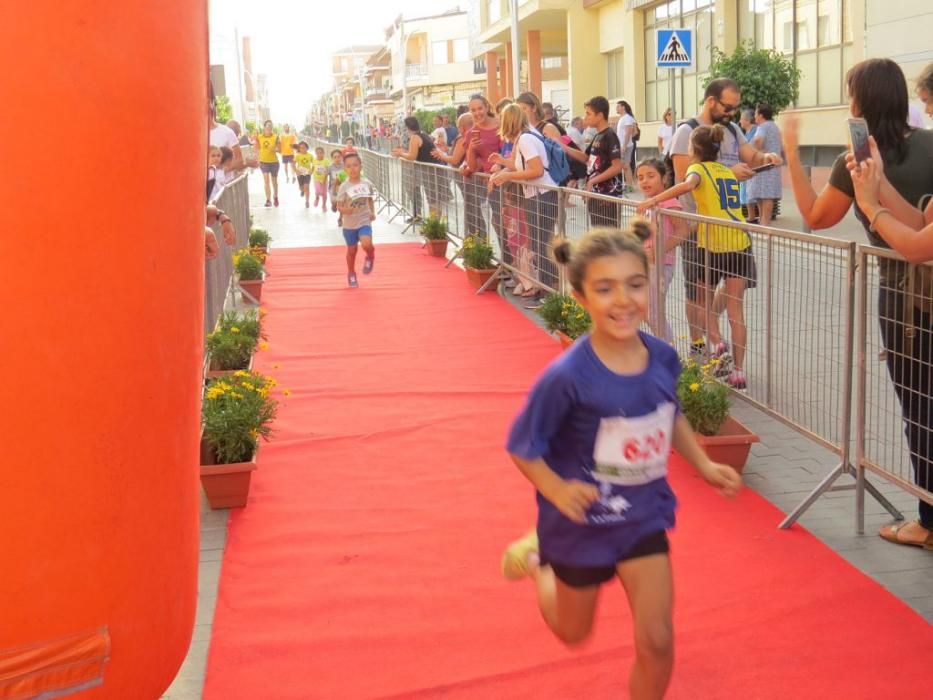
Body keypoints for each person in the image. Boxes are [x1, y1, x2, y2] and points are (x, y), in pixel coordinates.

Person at [500, 223, 741, 700]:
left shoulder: (663, 358)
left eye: (634, 284)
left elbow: (668, 414)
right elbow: (521, 445)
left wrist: (703, 465)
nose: (623, 300)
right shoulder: (567, 376)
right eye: (605, 289)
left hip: (642, 518)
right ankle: (536, 561)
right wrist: (558, 490)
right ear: (581, 296)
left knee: (657, 639)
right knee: (572, 632)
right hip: (579, 523)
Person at [784, 58, 933, 549]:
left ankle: (928, 520)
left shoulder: (860, 161)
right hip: (914, 290)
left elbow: (814, 216)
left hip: (904, 300)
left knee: (919, 409)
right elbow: (918, 226)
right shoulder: (927, 145)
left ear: (860, 104)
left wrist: (790, 149)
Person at [669, 78, 781, 361]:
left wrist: (766, 156)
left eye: (735, 107)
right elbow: (687, 177)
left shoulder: (731, 130)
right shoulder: (686, 132)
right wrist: (730, 174)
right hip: (699, 226)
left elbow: (751, 155)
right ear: (711, 101)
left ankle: (715, 340)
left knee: (732, 291)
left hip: (731, 226)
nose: (732, 112)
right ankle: (699, 345)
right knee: (697, 291)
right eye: (727, 106)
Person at [637, 125, 756, 389]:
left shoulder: (697, 169)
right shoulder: (727, 171)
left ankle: (716, 342)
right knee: (736, 311)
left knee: (703, 301)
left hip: (713, 243)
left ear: (692, 150)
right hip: (740, 241)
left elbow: (685, 186)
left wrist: (653, 201)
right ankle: (738, 370)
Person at [489, 104, 559, 297]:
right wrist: (504, 163)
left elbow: (536, 170)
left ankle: (546, 291)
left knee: (539, 244)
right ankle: (543, 288)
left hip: (542, 196)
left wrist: (508, 176)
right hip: (536, 196)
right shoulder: (524, 138)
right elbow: (524, 165)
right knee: (537, 243)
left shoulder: (526, 139)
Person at [635, 158, 688, 343]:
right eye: (640, 177)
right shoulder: (646, 203)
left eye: (651, 176)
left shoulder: (669, 203)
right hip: (645, 264)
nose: (645, 181)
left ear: (664, 178)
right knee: (647, 310)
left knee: (653, 312)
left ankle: (667, 350)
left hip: (661, 264)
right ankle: (662, 347)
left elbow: (683, 231)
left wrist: (660, 251)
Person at [564, 96, 623, 229]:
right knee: (597, 235)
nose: (586, 117)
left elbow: (617, 167)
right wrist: (564, 147)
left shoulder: (610, 136)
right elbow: (586, 157)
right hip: (596, 195)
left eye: (589, 113)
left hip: (607, 196)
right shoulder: (598, 136)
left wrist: (592, 181)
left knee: (608, 238)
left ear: (600, 115)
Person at [460, 94, 502, 237]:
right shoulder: (471, 133)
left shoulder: (502, 125)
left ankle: (514, 259)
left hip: (510, 179)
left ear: (487, 107)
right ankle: (506, 258)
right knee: (498, 221)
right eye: (473, 110)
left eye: (480, 108)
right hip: (492, 184)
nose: (477, 113)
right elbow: (472, 167)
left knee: (510, 222)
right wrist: (471, 148)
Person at [335, 152, 376, 288]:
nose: (352, 169)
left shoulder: (367, 183)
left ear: (361, 167)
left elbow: (370, 199)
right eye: (348, 166)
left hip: (364, 220)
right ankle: (351, 272)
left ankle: (370, 255)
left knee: (366, 244)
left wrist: (372, 212)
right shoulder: (344, 187)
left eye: (355, 165)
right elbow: (338, 206)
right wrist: (345, 211)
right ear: (345, 169)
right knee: (352, 251)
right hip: (349, 224)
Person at [392, 116, 438, 222]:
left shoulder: (415, 137)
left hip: (430, 170)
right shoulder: (423, 134)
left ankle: (433, 226)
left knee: (433, 200)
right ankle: (432, 224)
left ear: (407, 127)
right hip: (433, 169)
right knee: (434, 199)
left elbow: (412, 156)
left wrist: (400, 153)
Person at [746, 104, 783, 227]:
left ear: (761, 115)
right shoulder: (775, 127)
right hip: (774, 164)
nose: (755, 116)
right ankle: (763, 221)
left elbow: (758, 141)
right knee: (766, 193)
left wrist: (753, 152)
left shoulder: (762, 127)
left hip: (764, 164)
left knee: (764, 194)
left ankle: (764, 222)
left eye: (756, 114)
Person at [738, 109, 759, 223]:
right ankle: (751, 217)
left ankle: (753, 217)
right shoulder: (746, 133)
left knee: (751, 192)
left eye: (741, 118)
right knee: (746, 192)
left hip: (753, 165)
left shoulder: (756, 132)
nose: (740, 121)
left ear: (747, 120)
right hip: (746, 165)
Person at [257, 120, 281, 207]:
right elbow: (256, 148)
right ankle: (268, 200)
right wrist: (256, 158)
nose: (269, 127)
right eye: (267, 126)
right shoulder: (259, 137)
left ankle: (275, 196)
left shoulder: (276, 137)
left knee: (274, 181)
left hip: (274, 162)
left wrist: (275, 149)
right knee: (266, 180)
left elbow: (280, 150)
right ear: (264, 127)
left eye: (271, 126)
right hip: (263, 162)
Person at [616, 101, 637, 190]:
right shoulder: (623, 118)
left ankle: (630, 186)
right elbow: (634, 132)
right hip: (623, 145)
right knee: (625, 166)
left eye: (618, 107)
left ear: (623, 107)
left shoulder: (627, 118)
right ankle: (629, 186)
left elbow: (628, 133)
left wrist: (624, 145)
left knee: (626, 166)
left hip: (625, 146)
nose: (616, 108)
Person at [329, 149, 347, 226]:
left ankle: (340, 218)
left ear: (342, 157)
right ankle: (333, 204)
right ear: (332, 158)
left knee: (342, 204)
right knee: (334, 204)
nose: (337, 159)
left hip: (343, 188)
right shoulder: (330, 167)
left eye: (339, 157)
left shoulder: (345, 166)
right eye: (335, 157)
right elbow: (324, 175)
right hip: (333, 187)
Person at [310, 146, 331, 212]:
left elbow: (328, 170)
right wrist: (310, 172)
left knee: (324, 194)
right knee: (318, 191)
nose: (319, 154)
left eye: (321, 153)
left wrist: (325, 179)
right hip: (316, 179)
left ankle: (324, 205)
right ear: (316, 153)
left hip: (324, 180)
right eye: (317, 153)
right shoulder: (314, 160)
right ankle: (317, 198)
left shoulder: (326, 161)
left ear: (323, 153)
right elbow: (313, 167)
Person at [294, 141, 313, 208]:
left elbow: (314, 163)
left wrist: (312, 171)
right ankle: (302, 191)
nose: (302, 149)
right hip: (300, 173)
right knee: (301, 188)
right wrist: (296, 171)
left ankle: (307, 201)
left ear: (307, 148)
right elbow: (293, 163)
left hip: (307, 173)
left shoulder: (310, 156)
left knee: (307, 187)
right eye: (301, 148)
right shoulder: (298, 155)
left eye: (304, 148)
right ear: (299, 149)